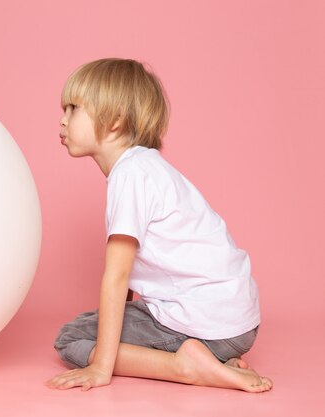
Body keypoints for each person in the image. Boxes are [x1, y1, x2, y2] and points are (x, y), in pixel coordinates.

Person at [46, 58, 273, 393]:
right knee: (93, 323)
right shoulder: (146, 168)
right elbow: (127, 285)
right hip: (236, 325)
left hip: (206, 322)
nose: (62, 120)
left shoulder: (130, 174)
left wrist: (100, 367)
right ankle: (216, 361)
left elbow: (118, 276)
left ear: (115, 121)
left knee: (71, 337)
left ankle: (183, 366)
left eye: (73, 109)